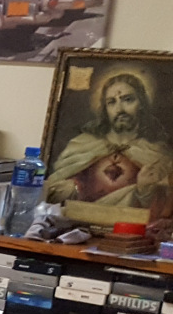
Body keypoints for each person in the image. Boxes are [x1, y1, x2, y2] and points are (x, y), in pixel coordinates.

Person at [44, 70, 173, 219]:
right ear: (105, 109)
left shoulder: (156, 152)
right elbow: (50, 193)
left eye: (128, 100)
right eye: (111, 102)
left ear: (142, 104)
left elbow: (164, 211)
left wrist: (145, 191)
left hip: (129, 228)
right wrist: (67, 189)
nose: (120, 109)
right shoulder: (82, 145)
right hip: (77, 223)